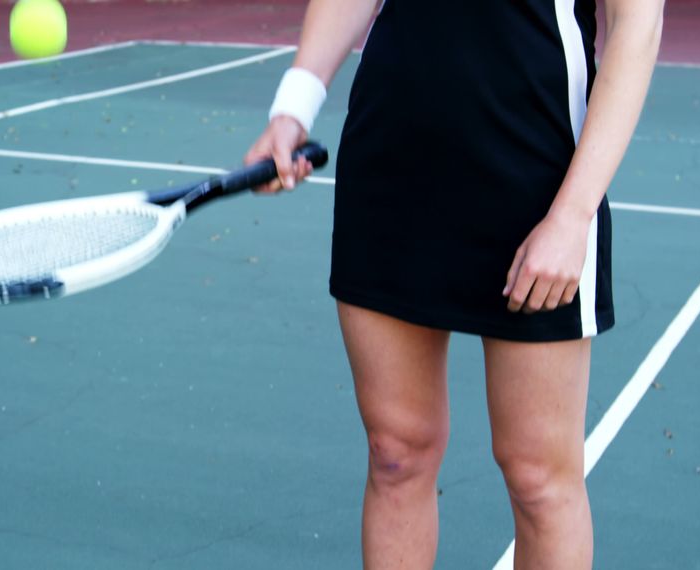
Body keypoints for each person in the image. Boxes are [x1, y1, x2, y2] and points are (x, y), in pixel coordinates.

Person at [245, 0, 664, 568]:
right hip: (391, 167)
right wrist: (292, 108)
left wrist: (573, 216)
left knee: (539, 478)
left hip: (537, 182)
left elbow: (636, 28)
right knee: (396, 454)